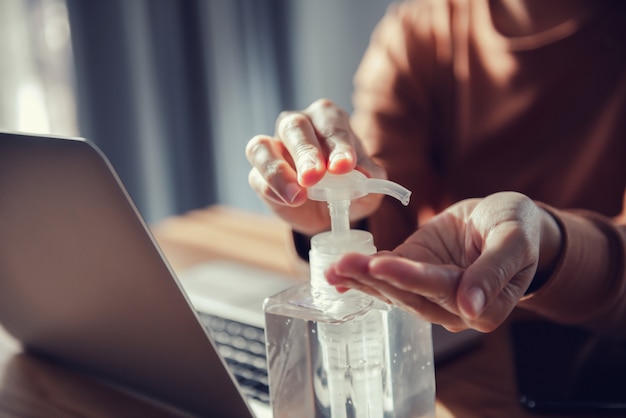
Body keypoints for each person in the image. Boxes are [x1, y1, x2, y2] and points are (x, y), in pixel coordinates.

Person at [245, 0, 626, 339]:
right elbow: (387, 198)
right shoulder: (418, 33)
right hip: (458, 356)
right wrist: (336, 218)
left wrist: (548, 244)